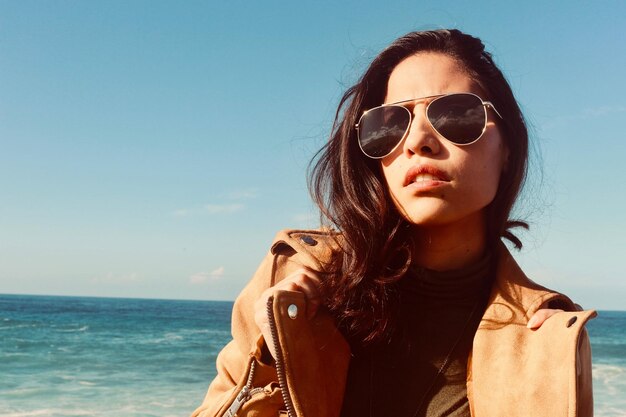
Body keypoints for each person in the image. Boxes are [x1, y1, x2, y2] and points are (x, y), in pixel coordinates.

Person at [191, 29, 595, 417]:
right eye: (389, 124)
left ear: (507, 147)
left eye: (456, 114)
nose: (418, 139)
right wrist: (267, 358)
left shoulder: (548, 337)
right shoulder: (296, 281)